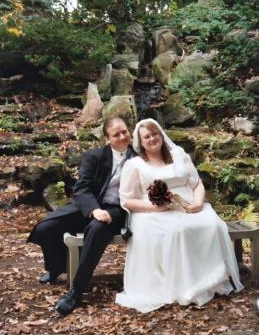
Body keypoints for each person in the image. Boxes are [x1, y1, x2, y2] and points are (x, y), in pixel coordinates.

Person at [115, 118, 243, 313]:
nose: (152, 139)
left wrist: (199, 202)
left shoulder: (178, 154)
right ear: (140, 143)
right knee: (179, 230)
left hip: (190, 204)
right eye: (146, 137)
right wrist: (155, 207)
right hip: (152, 211)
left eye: (154, 134)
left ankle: (211, 279)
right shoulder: (135, 165)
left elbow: (197, 183)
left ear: (161, 134)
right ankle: (184, 285)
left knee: (215, 225)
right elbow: (127, 200)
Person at [28, 116, 134, 315]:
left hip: (116, 211)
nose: (122, 137)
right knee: (45, 228)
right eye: (116, 134)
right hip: (88, 206)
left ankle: (75, 291)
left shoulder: (138, 158)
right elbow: (81, 189)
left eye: (124, 132)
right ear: (106, 138)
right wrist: (94, 210)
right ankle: (56, 266)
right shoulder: (94, 156)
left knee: (96, 230)